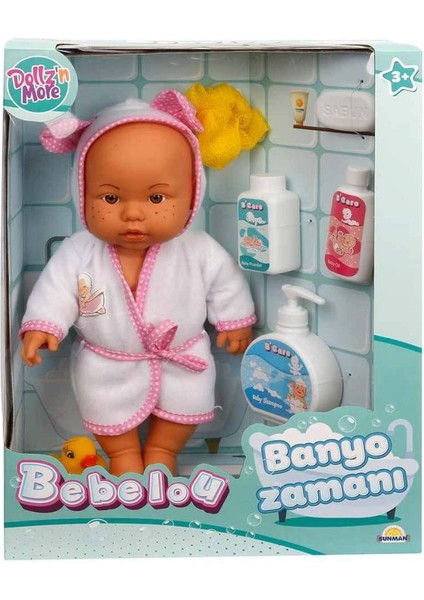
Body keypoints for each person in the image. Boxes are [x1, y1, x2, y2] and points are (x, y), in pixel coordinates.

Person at [20, 91, 256, 477]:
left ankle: (164, 452)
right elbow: (56, 288)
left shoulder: (198, 248)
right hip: (107, 362)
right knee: (105, 411)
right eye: (111, 198)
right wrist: (45, 325)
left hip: (182, 356)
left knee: (186, 404)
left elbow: (225, 281)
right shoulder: (80, 250)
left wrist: (234, 320)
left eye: (157, 197)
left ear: (192, 194)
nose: (132, 213)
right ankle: (123, 457)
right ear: (83, 194)